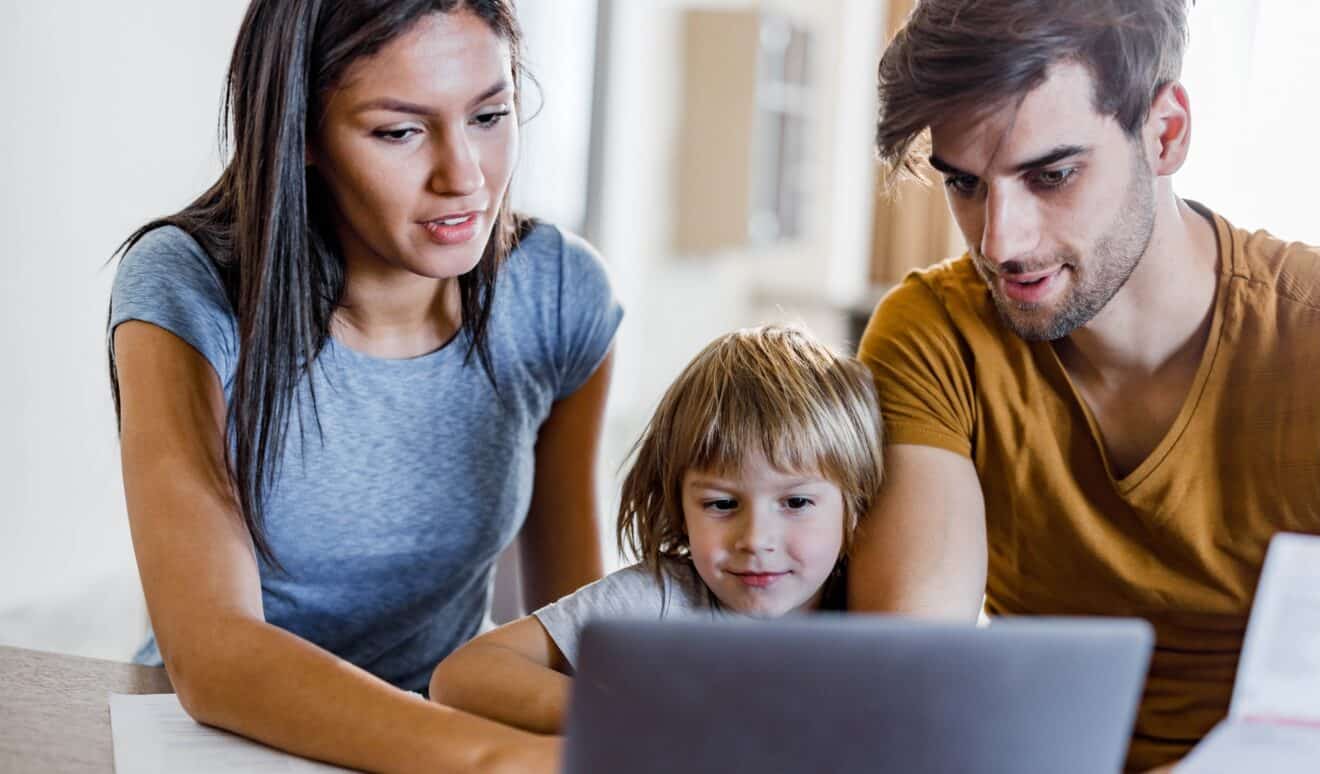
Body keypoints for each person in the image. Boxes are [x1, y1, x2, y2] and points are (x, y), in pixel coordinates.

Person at [849, 1, 1320, 770]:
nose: (1000, 240)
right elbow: (910, 676)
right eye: (966, 185)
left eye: (1052, 175)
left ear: (1165, 131)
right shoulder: (933, 337)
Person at [108, 1, 619, 770]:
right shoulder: (188, 284)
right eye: (399, 131)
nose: (464, 176)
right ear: (302, 133)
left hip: (435, 734)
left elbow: (568, 630)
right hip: (216, 742)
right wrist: (494, 762)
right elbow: (215, 655)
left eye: (490, 114)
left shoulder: (557, 292)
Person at [430, 325, 884, 733]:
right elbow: (463, 676)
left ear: (855, 501)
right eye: (722, 504)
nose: (756, 540)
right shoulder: (660, 598)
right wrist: (641, 712)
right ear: (679, 505)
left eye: (796, 502)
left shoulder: (879, 607)